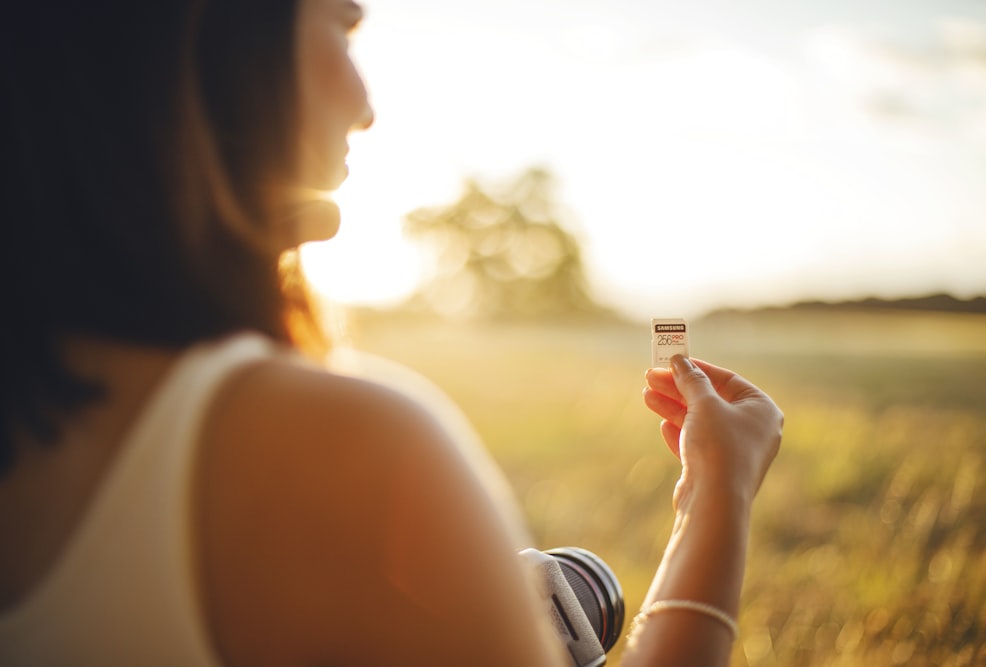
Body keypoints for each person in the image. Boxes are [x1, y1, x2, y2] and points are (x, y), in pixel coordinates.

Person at [0, 1, 783, 665]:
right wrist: (717, 491)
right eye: (342, 29)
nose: (366, 104)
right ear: (213, 35)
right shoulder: (347, 445)